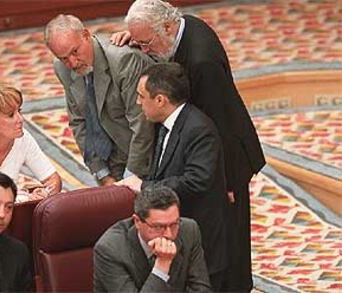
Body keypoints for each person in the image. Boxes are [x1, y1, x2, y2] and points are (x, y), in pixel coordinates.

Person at [112, 1, 266, 290]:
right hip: (208, 144)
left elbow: (221, 120)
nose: (143, 49)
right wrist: (135, 35)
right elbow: (156, 39)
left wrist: (226, 180)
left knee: (228, 242)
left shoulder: (202, 62)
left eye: (146, 42)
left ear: (167, 28)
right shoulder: (183, 24)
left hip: (229, 157)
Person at [117, 62, 228, 290]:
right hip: (173, 234)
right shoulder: (166, 123)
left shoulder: (199, 129)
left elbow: (196, 180)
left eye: (141, 96)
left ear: (160, 100)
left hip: (199, 238)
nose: (138, 102)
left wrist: (146, 187)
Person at [44, 14, 155, 186]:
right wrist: (103, 174)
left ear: (86, 36)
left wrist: (128, 178)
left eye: (75, 52)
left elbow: (142, 126)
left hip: (145, 159)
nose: (72, 63)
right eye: (63, 58)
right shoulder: (62, 68)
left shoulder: (123, 60)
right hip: (110, 158)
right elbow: (79, 122)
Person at [94, 186, 212, 292]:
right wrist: (162, 264)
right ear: (137, 222)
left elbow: (201, 289)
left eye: (174, 224)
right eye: (159, 227)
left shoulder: (189, 230)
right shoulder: (110, 249)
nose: (169, 235)